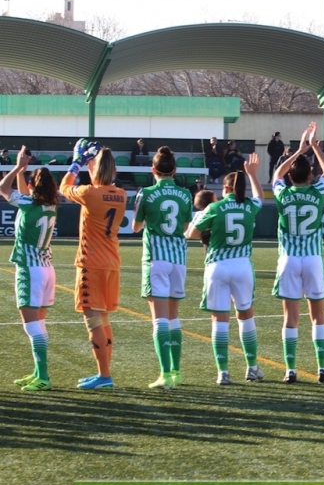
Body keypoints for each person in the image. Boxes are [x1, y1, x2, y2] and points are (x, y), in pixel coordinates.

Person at [185, 153, 265, 386]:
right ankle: (252, 368)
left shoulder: (214, 207)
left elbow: (191, 234)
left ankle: (223, 372)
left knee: (220, 320)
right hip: (242, 266)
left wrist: (207, 230)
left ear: (226, 188)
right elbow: (259, 196)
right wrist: (252, 175)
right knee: (246, 316)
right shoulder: (250, 206)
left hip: (217, 266)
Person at [60, 139, 127, 390]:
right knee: (103, 317)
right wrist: (91, 166)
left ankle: (104, 375)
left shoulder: (88, 193)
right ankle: (104, 373)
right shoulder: (120, 194)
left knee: (92, 318)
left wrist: (77, 162)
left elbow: (64, 187)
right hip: (111, 262)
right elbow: (100, 186)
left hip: (91, 263)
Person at [271, 123, 324, 384]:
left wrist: (298, 151)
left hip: (288, 259)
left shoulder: (283, 194)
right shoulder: (317, 191)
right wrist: (315, 147)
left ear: (291, 177)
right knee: (318, 316)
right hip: (312, 258)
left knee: (290, 317)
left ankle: (291, 370)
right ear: (310, 176)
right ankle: (322, 369)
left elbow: (276, 173)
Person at [132, 147, 194, 390]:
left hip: (156, 257)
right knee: (173, 317)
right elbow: (187, 224)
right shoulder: (186, 194)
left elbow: (136, 226)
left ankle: (164, 373)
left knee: (159, 320)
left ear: (153, 170)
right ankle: (177, 372)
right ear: (175, 170)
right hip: (179, 257)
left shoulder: (145, 193)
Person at [0, 147, 58, 391]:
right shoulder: (51, 205)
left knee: (31, 325)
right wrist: (25, 170)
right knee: (39, 324)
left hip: (30, 269)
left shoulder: (28, 204)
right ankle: (37, 372)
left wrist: (18, 167)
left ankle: (43, 376)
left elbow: (3, 188)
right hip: (46, 268)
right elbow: (25, 193)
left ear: (34, 187)